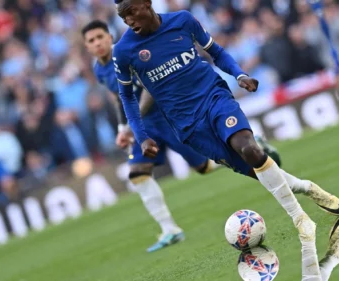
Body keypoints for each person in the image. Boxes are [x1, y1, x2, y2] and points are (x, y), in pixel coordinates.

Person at [112, 1, 339, 279]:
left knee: (250, 149)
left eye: (131, 11)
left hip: (214, 97)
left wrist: (239, 74)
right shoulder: (124, 51)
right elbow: (127, 97)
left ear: (146, 3)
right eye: (122, 16)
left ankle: (301, 220)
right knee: (256, 170)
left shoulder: (183, 20)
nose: (128, 20)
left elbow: (215, 52)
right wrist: (141, 136)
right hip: (188, 125)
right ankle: (310, 188)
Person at [81, 19, 280, 253]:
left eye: (100, 37)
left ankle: (256, 152)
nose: (97, 44)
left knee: (205, 167)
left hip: (168, 116)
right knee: (137, 173)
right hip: (143, 127)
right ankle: (170, 229)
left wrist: (131, 124)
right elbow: (119, 97)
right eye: (91, 41)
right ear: (86, 46)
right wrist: (122, 129)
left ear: (109, 37)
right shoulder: (98, 70)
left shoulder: (126, 54)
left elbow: (149, 89)